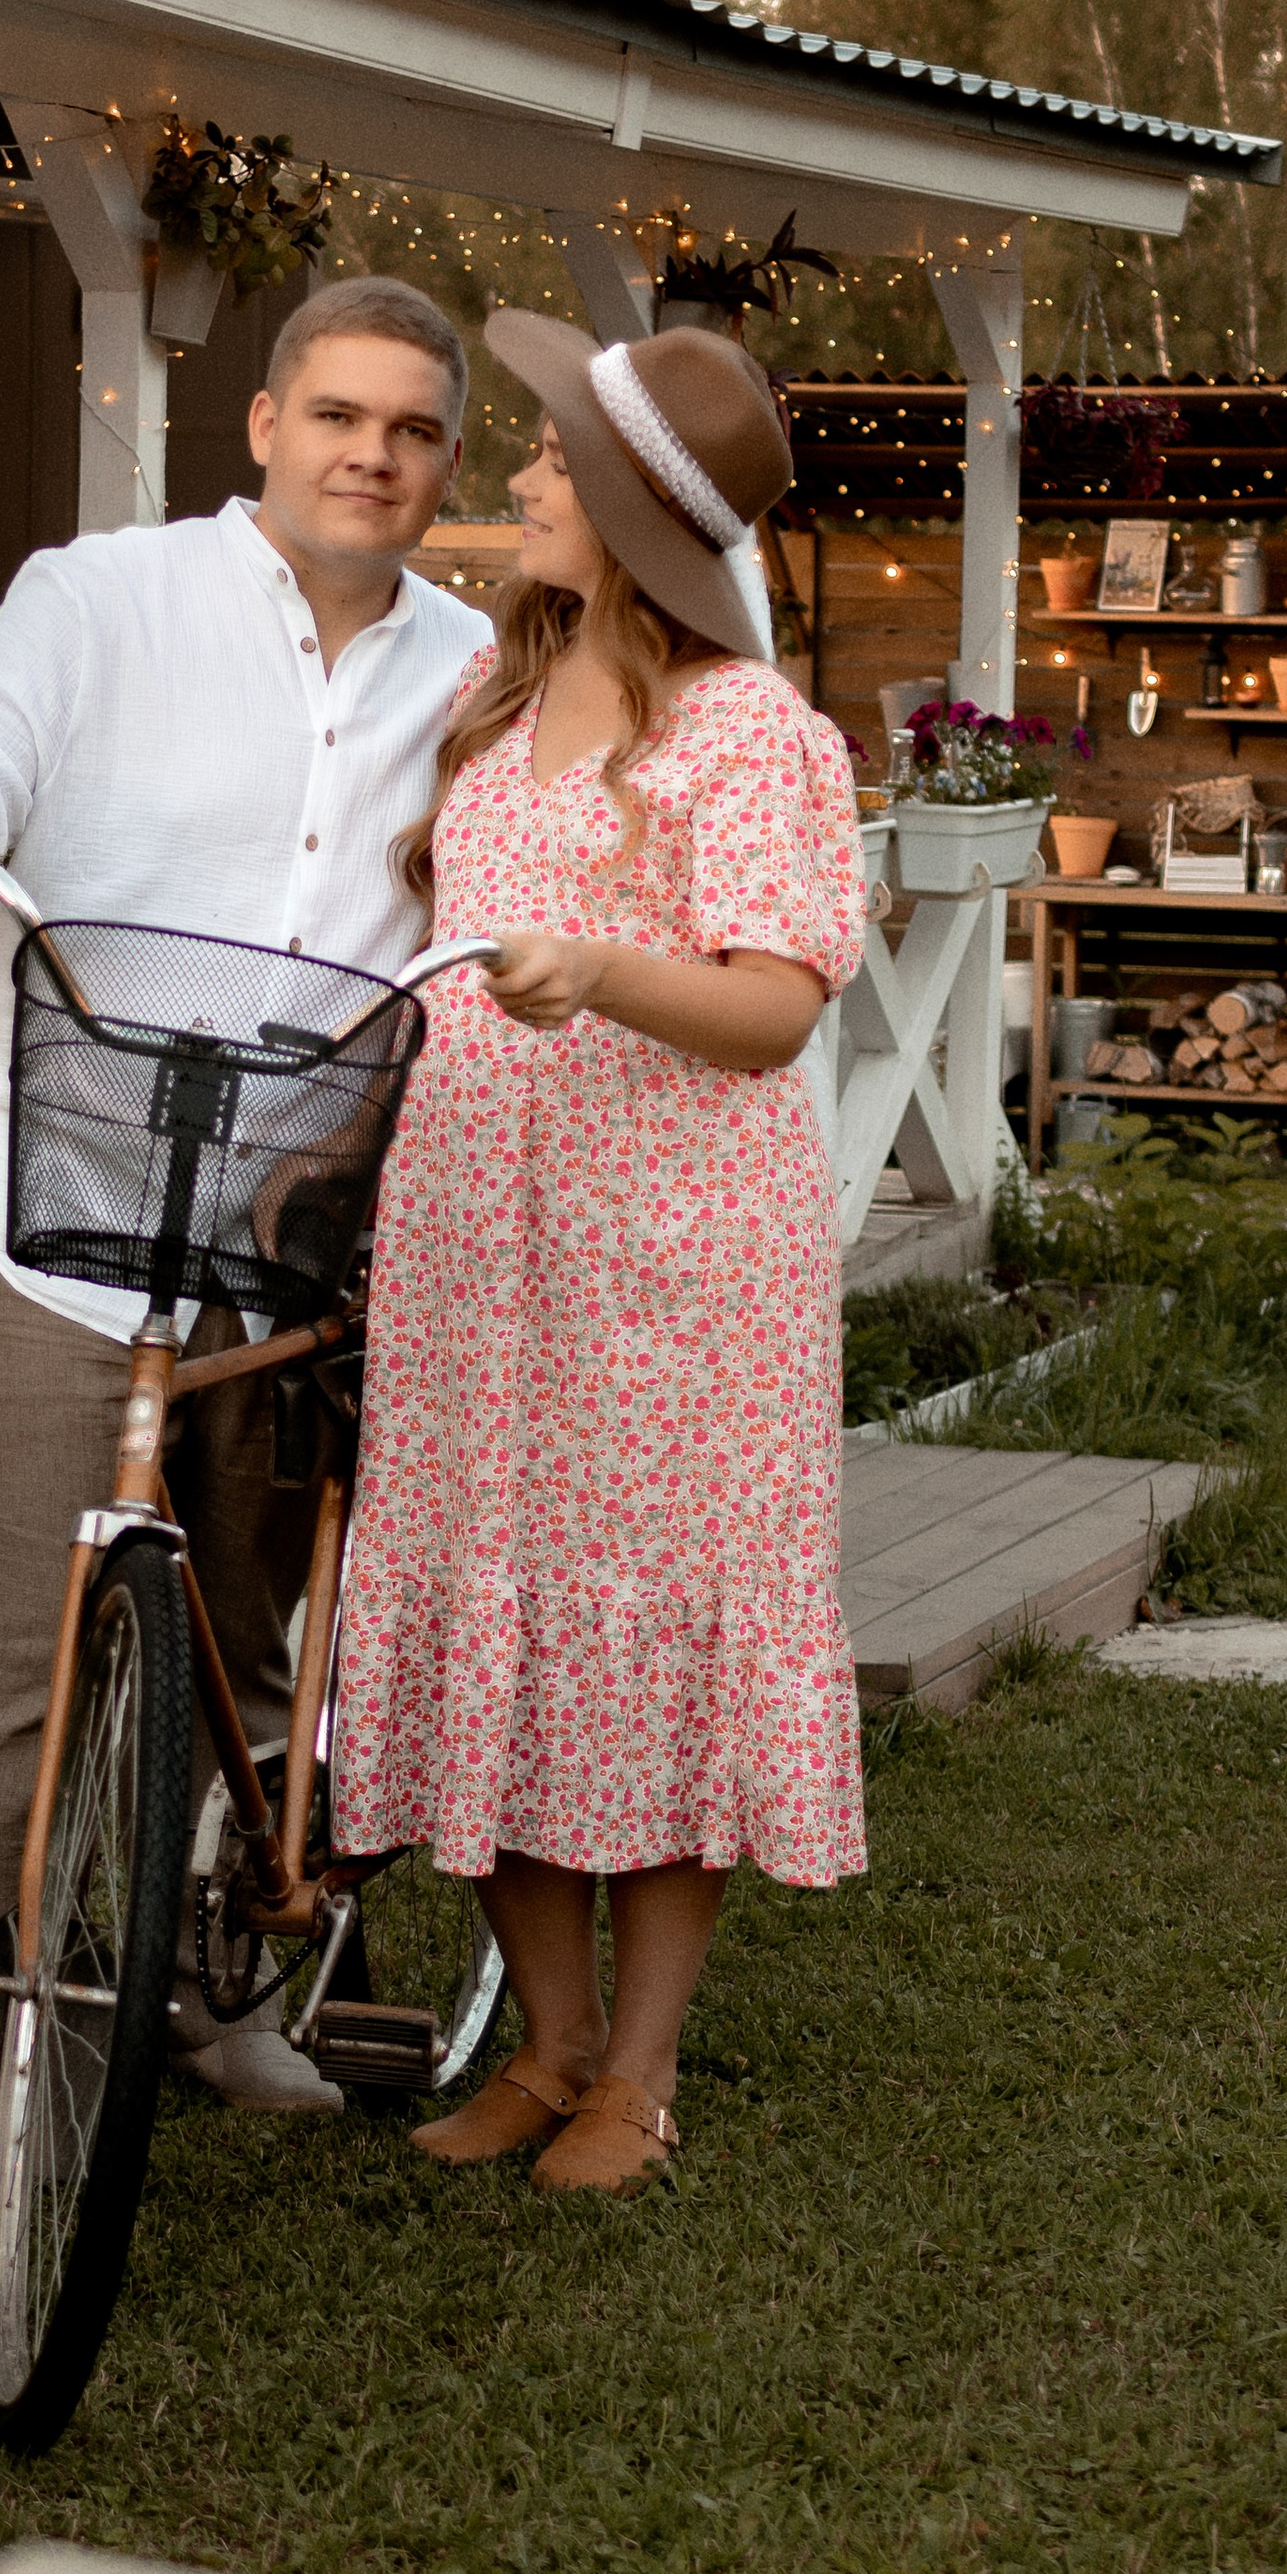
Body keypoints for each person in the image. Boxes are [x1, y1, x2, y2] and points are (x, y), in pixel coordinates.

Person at [0, 276, 490, 2144]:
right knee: (17, 1644)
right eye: (340, 417)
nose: (372, 456)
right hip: (61, 1199)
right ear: (265, 424)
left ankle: (206, 2002)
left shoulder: (472, 659)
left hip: (299, 1223)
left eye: (413, 430)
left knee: (250, 1637)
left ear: (444, 460)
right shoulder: (102, 595)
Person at [328, 314, 868, 2197]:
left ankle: (640, 2072)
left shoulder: (750, 733)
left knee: (649, 1636)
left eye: (557, 459)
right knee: (495, 1612)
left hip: (673, 1261)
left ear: (634, 509)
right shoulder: (495, 687)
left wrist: (601, 972)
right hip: (476, 1236)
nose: (524, 476)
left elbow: (777, 1009)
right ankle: (546, 2047)